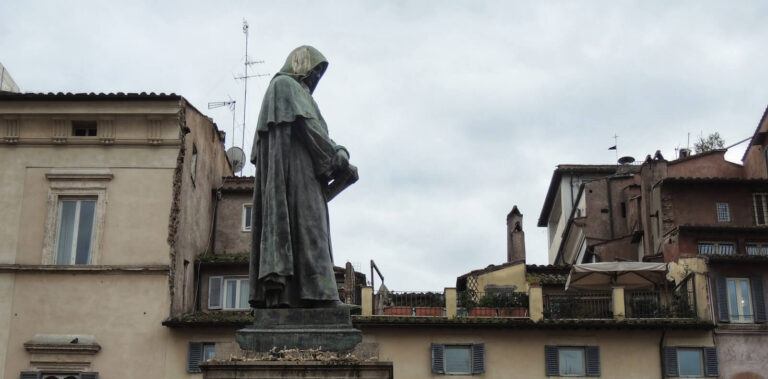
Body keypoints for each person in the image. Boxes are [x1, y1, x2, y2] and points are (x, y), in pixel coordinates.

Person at [249, 46, 357, 308]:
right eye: (314, 69)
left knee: (313, 229)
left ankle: (317, 296)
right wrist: (337, 157)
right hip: (293, 173)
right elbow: (310, 130)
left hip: (309, 173)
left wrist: (339, 152)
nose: (316, 76)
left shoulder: (306, 98)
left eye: (320, 72)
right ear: (301, 65)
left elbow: (320, 132)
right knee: (311, 228)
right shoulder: (284, 86)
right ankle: (320, 298)